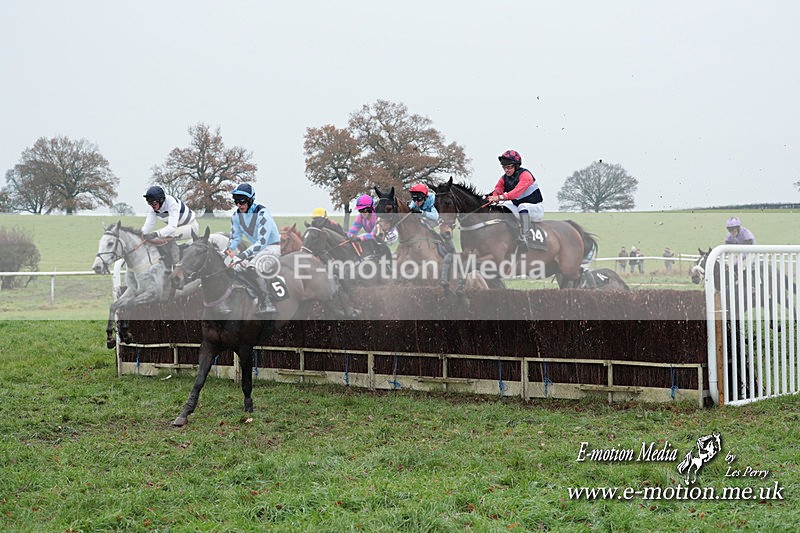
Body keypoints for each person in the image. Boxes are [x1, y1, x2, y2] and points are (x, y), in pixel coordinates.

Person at [224, 183, 279, 315]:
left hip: (271, 248)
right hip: (256, 251)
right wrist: (227, 251)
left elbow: (262, 241)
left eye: (241, 201)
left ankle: (267, 302)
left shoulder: (263, 213)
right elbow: (235, 238)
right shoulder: (236, 216)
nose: (238, 205)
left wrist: (242, 255)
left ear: (250, 200)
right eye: (236, 201)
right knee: (228, 265)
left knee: (252, 268)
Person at [485, 149, 545, 250]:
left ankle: (525, 237)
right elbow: (498, 190)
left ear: (516, 166)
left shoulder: (526, 175)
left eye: (509, 167)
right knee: (501, 207)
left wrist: (498, 198)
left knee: (522, 206)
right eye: (504, 167)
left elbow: (515, 193)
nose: (506, 170)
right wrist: (490, 197)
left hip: (535, 208)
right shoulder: (504, 178)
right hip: (518, 207)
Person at [141, 185, 199, 270]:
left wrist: (155, 234)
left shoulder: (171, 203)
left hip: (191, 226)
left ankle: (177, 266)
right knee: (155, 237)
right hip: (176, 227)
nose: (152, 206)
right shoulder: (153, 208)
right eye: (149, 203)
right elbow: (148, 225)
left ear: (161, 200)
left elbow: (172, 227)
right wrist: (141, 235)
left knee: (167, 236)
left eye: (154, 203)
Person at [408, 183, 455, 254]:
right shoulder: (416, 200)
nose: (416, 202)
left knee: (443, 233)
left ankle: (450, 251)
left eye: (419, 199)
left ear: (425, 197)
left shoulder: (433, 199)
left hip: (438, 219)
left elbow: (435, 217)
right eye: (414, 199)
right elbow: (410, 209)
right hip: (424, 219)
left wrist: (421, 212)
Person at [346, 194, 392, 262]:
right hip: (374, 235)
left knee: (379, 240)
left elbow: (373, 234)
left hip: (389, 234)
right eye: (360, 210)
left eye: (364, 210)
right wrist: (347, 237)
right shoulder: (360, 217)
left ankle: (390, 264)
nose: (362, 213)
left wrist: (358, 238)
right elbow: (352, 232)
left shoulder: (377, 215)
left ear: (371, 208)